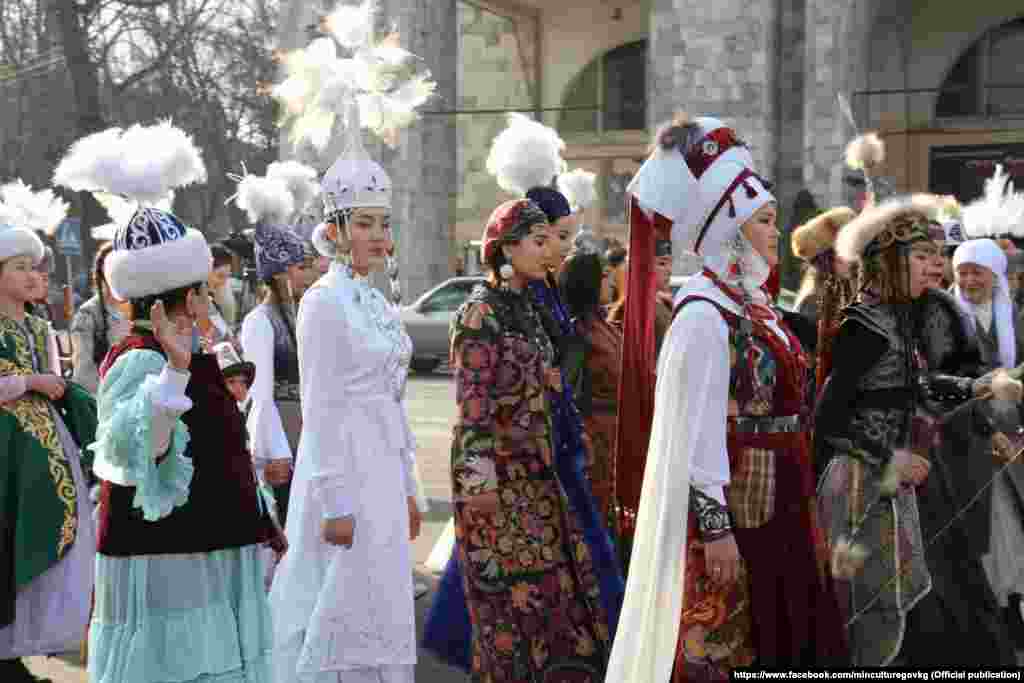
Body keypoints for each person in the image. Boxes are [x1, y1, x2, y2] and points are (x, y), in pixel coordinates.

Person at [606, 114, 846, 682]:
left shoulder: (753, 309)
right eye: (763, 220)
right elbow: (698, 430)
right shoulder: (703, 317)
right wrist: (715, 528)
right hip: (742, 506)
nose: (773, 233)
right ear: (729, 230)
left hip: (782, 497)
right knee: (733, 640)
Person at [53, 121, 284, 683]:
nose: (212, 295)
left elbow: (221, 443)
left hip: (211, 542)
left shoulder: (189, 350)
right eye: (204, 288)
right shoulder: (141, 358)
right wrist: (175, 376)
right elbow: (132, 452)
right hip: (168, 558)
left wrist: (262, 518)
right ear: (182, 297)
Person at [269, 114, 424, 683]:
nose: (380, 236)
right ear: (334, 229)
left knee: (381, 601)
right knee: (336, 603)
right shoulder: (322, 303)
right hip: (344, 475)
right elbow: (322, 405)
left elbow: (395, 400)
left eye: (384, 223)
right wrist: (334, 501)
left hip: (382, 468)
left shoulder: (377, 303)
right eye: (365, 223)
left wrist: (409, 486)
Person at [451, 198, 610, 681]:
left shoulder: (529, 307)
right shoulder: (480, 313)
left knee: (559, 603)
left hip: (539, 478)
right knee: (511, 611)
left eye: (552, 241)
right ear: (506, 248)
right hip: (496, 487)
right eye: (539, 242)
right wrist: (479, 483)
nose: (553, 252)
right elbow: (472, 404)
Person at [816, 195, 953, 666]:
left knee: (890, 611)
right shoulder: (865, 326)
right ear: (891, 263)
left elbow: (911, 391)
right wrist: (890, 457)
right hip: (858, 485)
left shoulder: (900, 320)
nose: (931, 267)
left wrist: (978, 388)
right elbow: (828, 419)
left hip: (886, 486)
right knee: (865, 612)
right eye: (919, 258)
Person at [0, 216, 97, 683]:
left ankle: (18, 647)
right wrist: (31, 382)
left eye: (34, 268)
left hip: (44, 452)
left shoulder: (41, 328)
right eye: (20, 267)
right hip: (4, 455)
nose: (33, 276)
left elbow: (59, 383)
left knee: (39, 537)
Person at [232, 168, 313, 527]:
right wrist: (274, 452)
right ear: (279, 271)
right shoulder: (259, 322)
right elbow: (260, 395)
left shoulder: (300, 316)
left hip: (307, 430)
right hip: (282, 430)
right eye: (300, 267)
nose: (307, 275)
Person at [560, 248, 622, 525]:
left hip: (614, 437)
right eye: (605, 276)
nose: (611, 283)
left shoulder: (605, 325)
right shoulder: (577, 333)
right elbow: (565, 392)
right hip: (593, 438)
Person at [952, 239, 1022, 372]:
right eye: (962, 273)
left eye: (977, 273)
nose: (970, 280)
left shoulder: (1010, 309)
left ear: (995, 277)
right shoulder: (946, 309)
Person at [70, 243, 132, 394]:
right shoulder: (88, 314)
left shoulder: (141, 308)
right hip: (105, 400)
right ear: (102, 272)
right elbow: (83, 373)